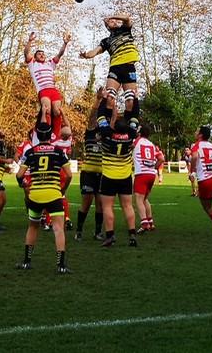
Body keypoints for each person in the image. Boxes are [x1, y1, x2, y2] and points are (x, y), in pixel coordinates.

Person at [15, 122, 73, 274]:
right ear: (50, 135)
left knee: (33, 227)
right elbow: (69, 175)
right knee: (59, 229)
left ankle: (27, 262)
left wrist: (23, 185)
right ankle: (60, 265)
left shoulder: (31, 152)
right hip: (54, 195)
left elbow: (19, 175)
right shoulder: (59, 151)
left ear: (37, 135)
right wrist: (62, 190)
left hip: (35, 196)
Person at [96, 93, 139, 247]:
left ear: (113, 126)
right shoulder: (131, 136)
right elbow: (135, 116)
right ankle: (132, 235)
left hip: (108, 176)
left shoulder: (107, 135)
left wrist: (104, 99)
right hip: (125, 176)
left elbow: (100, 116)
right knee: (128, 206)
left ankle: (110, 236)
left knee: (107, 207)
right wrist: (135, 99)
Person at [79, 13, 139, 113]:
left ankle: (130, 124)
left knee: (130, 99)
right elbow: (94, 52)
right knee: (109, 96)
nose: (115, 21)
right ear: (107, 26)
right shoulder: (106, 41)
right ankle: (107, 123)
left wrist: (112, 16)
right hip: (115, 68)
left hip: (129, 66)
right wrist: (85, 55)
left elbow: (127, 19)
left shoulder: (125, 30)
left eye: (116, 20)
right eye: (112, 21)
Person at [25, 32, 71, 138]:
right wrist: (30, 41)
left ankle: (57, 135)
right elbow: (26, 52)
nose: (42, 55)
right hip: (43, 90)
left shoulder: (50, 64)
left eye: (43, 54)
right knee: (47, 110)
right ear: (35, 57)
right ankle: (47, 134)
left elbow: (60, 54)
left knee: (57, 111)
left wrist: (65, 43)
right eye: (39, 54)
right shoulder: (32, 64)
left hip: (53, 90)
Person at [75, 88, 105, 241]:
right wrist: (98, 100)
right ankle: (79, 231)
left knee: (100, 204)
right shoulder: (90, 132)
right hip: (88, 173)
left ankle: (98, 232)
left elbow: (113, 120)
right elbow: (91, 117)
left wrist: (111, 101)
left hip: (102, 173)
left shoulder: (106, 134)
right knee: (86, 202)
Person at [134, 125, 165, 233]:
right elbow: (161, 158)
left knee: (138, 199)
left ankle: (144, 223)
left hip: (141, 173)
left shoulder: (137, 141)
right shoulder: (152, 145)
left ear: (140, 133)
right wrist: (155, 167)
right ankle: (150, 222)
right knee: (145, 199)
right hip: (151, 174)